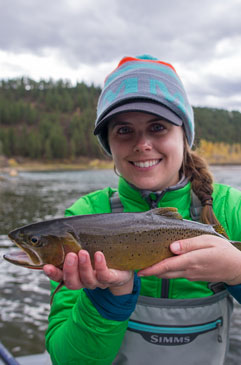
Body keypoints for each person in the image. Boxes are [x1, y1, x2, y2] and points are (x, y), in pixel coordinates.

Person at [43, 55, 241, 365]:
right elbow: (67, 361)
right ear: (109, 142)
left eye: (158, 127)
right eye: (124, 131)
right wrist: (110, 296)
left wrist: (237, 272)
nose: (142, 144)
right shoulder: (83, 216)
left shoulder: (232, 209)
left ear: (185, 137)